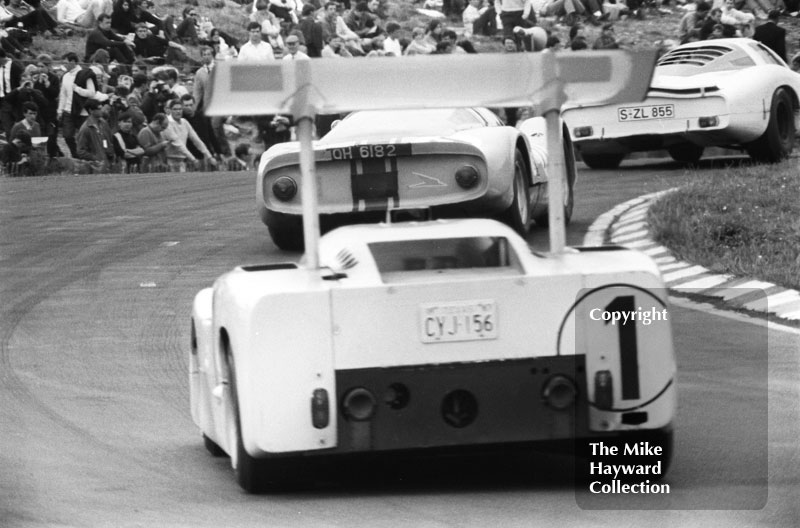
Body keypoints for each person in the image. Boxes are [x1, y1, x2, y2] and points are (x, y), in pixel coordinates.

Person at [57, 52, 98, 157]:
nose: (64, 65)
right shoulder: (65, 76)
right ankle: (75, 155)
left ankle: (87, 156)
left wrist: (77, 89)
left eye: (66, 63)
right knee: (67, 136)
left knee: (84, 137)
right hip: (68, 111)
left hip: (82, 111)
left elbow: (92, 92)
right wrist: (60, 110)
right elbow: (63, 95)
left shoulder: (85, 74)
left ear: (73, 62)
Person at [162, 98, 217, 172]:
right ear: (170, 110)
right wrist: (193, 159)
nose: (178, 111)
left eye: (180, 109)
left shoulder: (184, 122)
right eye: (175, 109)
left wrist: (209, 156)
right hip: (170, 160)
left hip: (182, 160)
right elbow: (178, 144)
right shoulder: (167, 123)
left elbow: (196, 140)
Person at [180, 94, 220, 167]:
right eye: (186, 105)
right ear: (182, 106)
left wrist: (218, 152)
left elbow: (212, 136)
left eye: (191, 105)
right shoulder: (181, 120)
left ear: (195, 105)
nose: (189, 107)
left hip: (206, 153)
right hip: (190, 155)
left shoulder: (203, 117)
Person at [76, 98, 115, 172]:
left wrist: (109, 151)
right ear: (91, 111)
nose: (102, 110)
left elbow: (108, 140)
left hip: (108, 163)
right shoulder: (85, 128)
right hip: (95, 167)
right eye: (99, 109)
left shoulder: (104, 123)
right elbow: (80, 151)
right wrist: (94, 158)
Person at [0, 49, 24, 137]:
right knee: (8, 129)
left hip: (16, 101)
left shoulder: (15, 66)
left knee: (19, 128)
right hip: (3, 102)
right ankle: (11, 148)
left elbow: (22, 84)